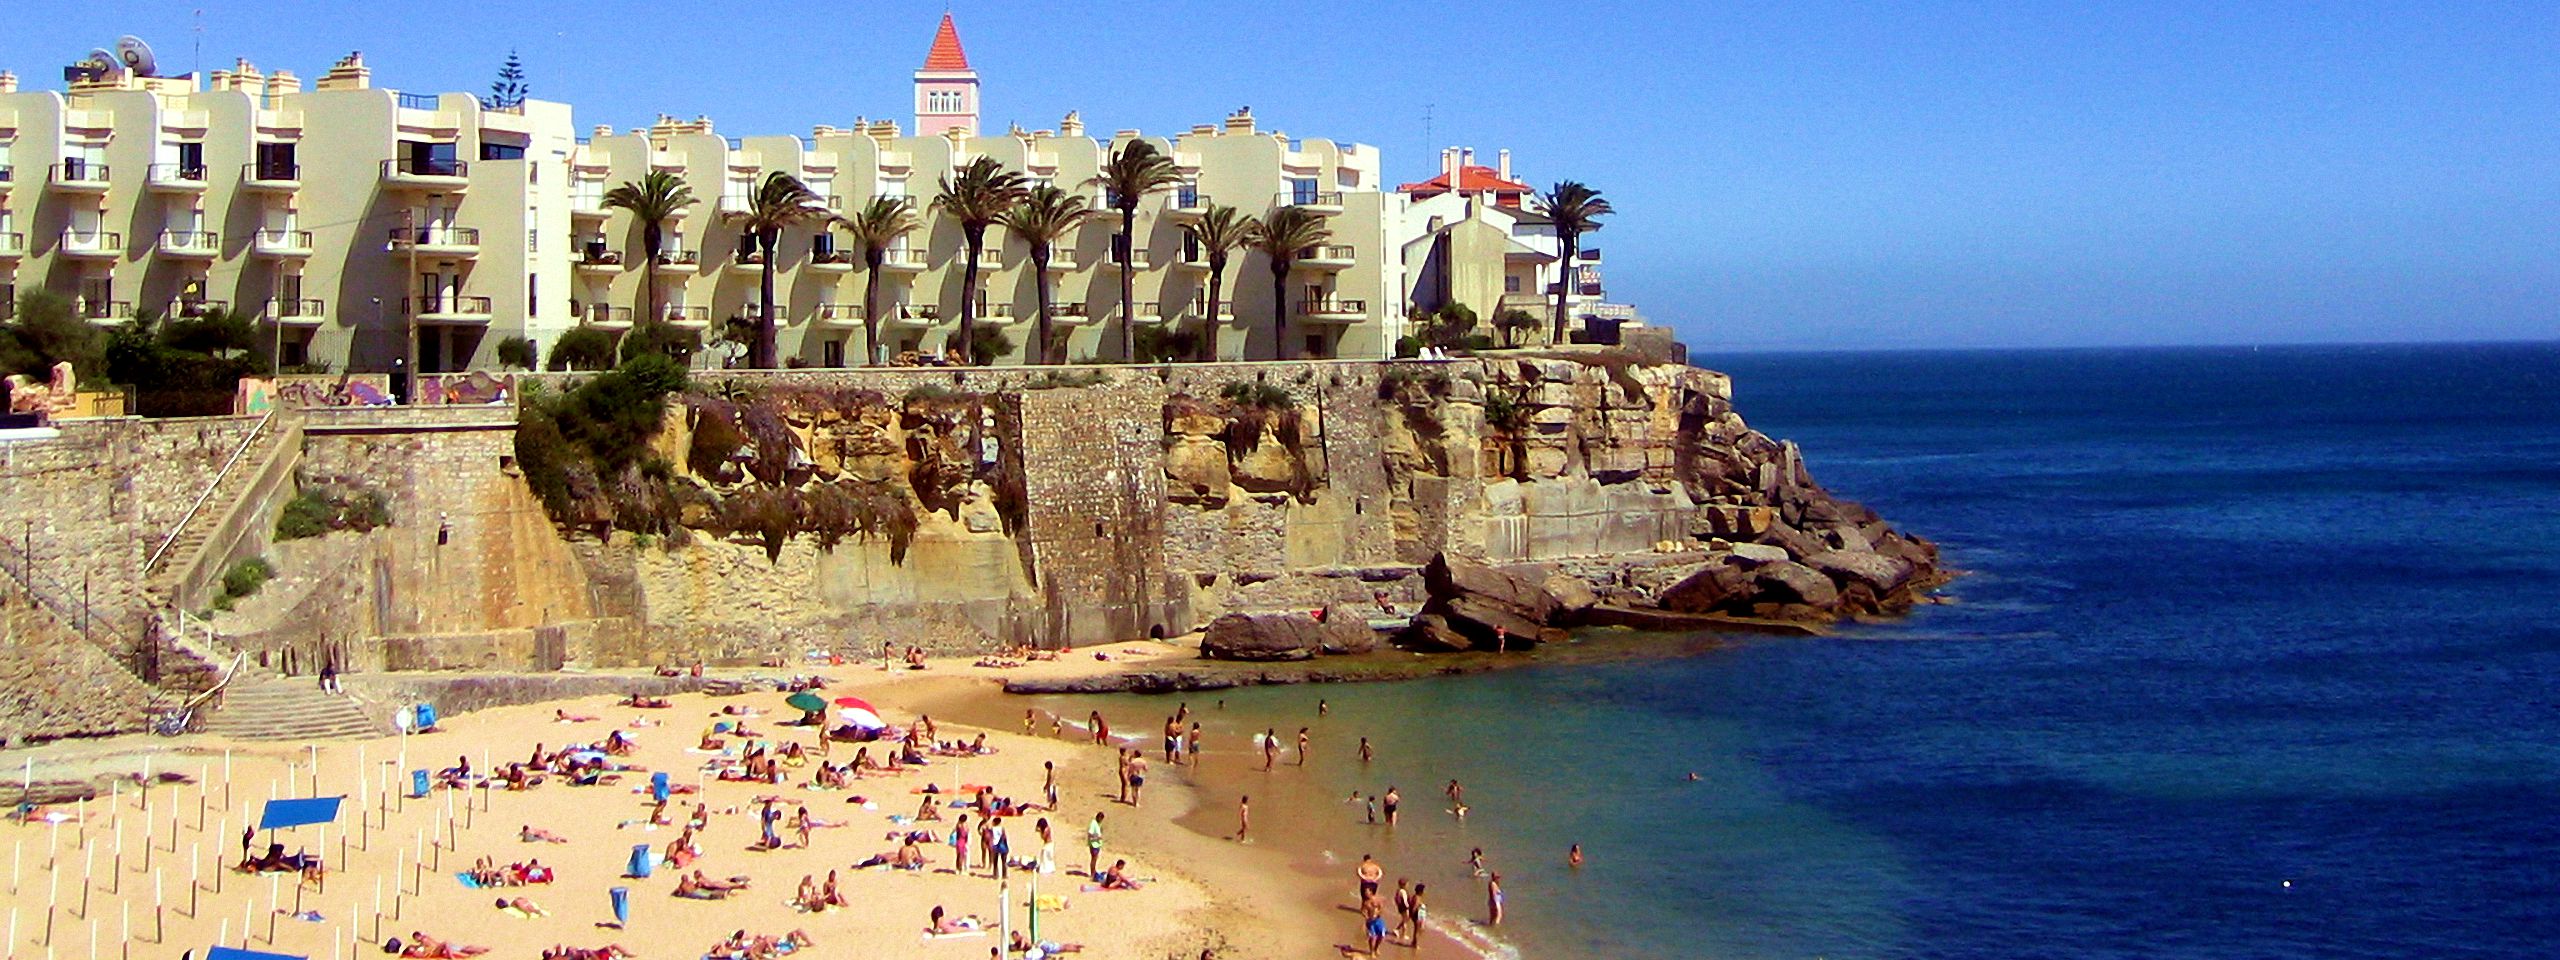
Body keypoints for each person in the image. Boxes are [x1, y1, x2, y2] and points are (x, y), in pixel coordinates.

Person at [1361, 888, 1388, 954]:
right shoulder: (1366, 902)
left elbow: (1382, 907)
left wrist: (1378, 912)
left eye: (1367, 892)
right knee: (1372, 937)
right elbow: (1362, 911)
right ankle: (1371, 951)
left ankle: (1376, 948)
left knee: (1382, 936)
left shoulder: (1377, 900)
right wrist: (1366, 916)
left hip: (1378, 920)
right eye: (1365, 892)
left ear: (1371, 892)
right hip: (1370, 922)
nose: (1365, 893)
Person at [1085, 812, 1105, 877]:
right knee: (1094, 859)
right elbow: (1090, 834)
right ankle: (1092, 873)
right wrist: (1097, 838)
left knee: (1095, 859)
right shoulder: (1093, 824)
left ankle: (1093, 871)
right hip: (1094, 845)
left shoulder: (1097, 824)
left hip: (1096, 844)